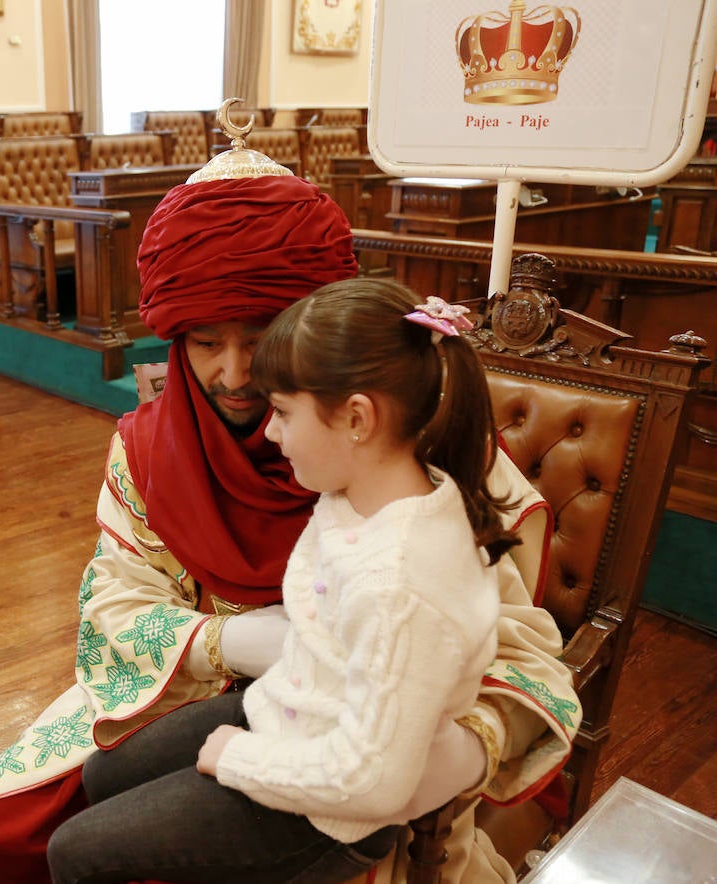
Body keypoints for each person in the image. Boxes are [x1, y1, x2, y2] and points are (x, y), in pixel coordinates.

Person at [0, 160, 579, 884]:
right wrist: (227, 641)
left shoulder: (422, 448)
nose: (236, 377)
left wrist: (472, 745)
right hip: (182, 691)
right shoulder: (147, 446)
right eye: (206, 342)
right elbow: (113, 601)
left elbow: (516, 649)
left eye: (260, 339)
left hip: (355, 745)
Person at [45, 278, 521, 883]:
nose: (269, 432)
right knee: (102, 774)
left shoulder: (398, 586)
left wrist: (240, 759)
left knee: (72, 852)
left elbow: (370, 781)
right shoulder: (358, 487)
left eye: (285, 413)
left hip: (329, 809)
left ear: (357, 419)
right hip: (298, 713)